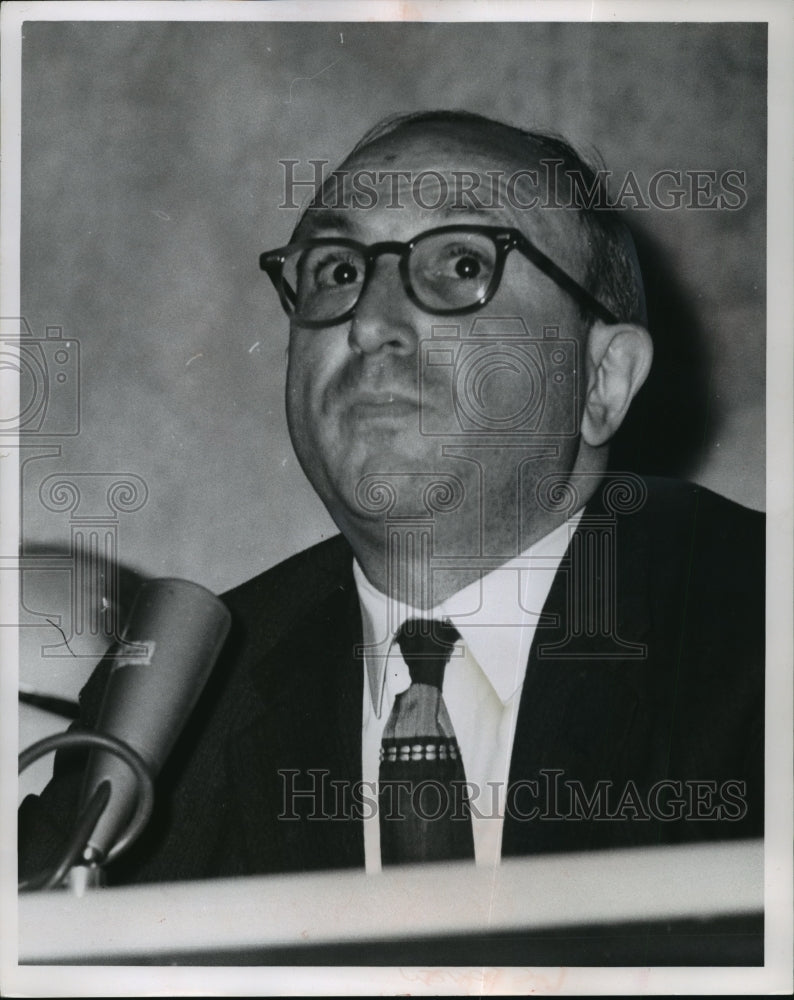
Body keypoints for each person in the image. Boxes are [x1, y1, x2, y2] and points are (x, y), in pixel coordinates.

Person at [19, 110, 764, 886]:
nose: (371, 323)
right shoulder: (171, 710)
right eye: (338, 272)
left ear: (603, 380)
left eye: (462, 266)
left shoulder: (758, 633)